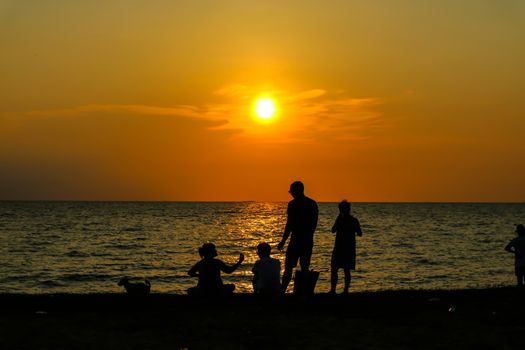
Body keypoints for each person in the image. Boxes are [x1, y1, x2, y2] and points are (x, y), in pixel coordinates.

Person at [277, 181, 318, 293]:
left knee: (289, 267)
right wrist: (308, 236)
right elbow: (314, 224)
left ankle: (283, 291)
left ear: (298, 190)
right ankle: (304, 292)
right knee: (304, 267)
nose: (291, 194)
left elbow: (289, 224)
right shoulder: (312, 204)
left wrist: (283, 241)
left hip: (296, 240)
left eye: (292, 191)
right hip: (307, 240)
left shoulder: (293, 204)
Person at [329, 200, 362, 294]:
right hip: (345, 248)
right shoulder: (351, 220)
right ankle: (339, 290)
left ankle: (339, 290)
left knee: (339, 269)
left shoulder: (350, 220)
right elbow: (333, 230)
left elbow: (359, 233)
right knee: (340, 269)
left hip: (344, 248)